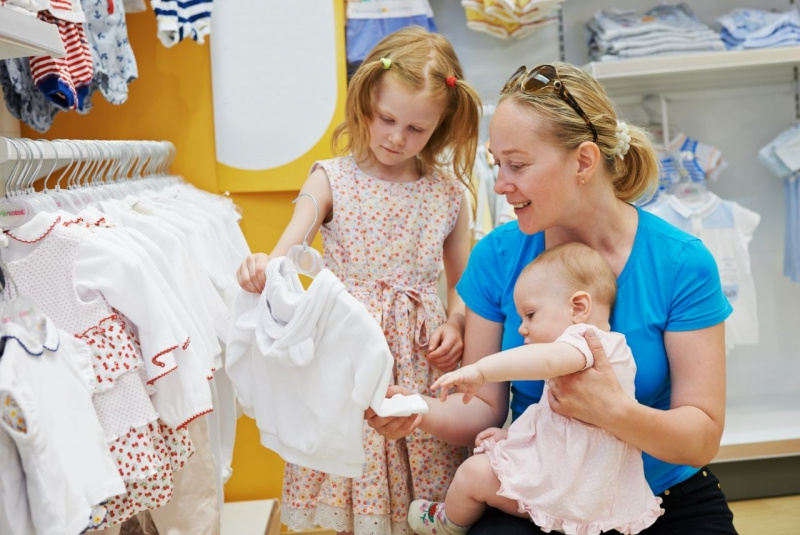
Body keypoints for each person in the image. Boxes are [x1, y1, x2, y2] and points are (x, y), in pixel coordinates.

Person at [367, 62, 737, 534]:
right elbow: (483, 409)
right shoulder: (497, 256)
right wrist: (417, 410)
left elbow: (700, 437)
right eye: (496, 164)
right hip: (539, 494)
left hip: (657, 497)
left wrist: (615, 411)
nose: (501, 184)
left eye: (517, 165)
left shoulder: (680, 263)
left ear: (583, 161)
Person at [236, 27, 482, 535]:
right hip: (346, 352)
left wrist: (457, 323)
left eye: (417, 128)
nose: (397, 137)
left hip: (419, 360)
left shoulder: (449, 193)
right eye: (387, 118)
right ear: (366, 99)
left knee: (427, 494)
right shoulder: (331, 178)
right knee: (356, 475)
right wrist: (262, 265)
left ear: (441, 125)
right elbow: (285, 253)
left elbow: (466, 285)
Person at [407, 242, 663, 535]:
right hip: (581, 486)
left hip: (570, 486)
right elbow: (562, 427)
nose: (521, 328)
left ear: (578, 308)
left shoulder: (589, 342)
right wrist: (513, 437)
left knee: (472, 474)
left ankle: (447, 522)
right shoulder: (585, 352)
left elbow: (546, 361)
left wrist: (481, 370)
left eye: (530, 315)